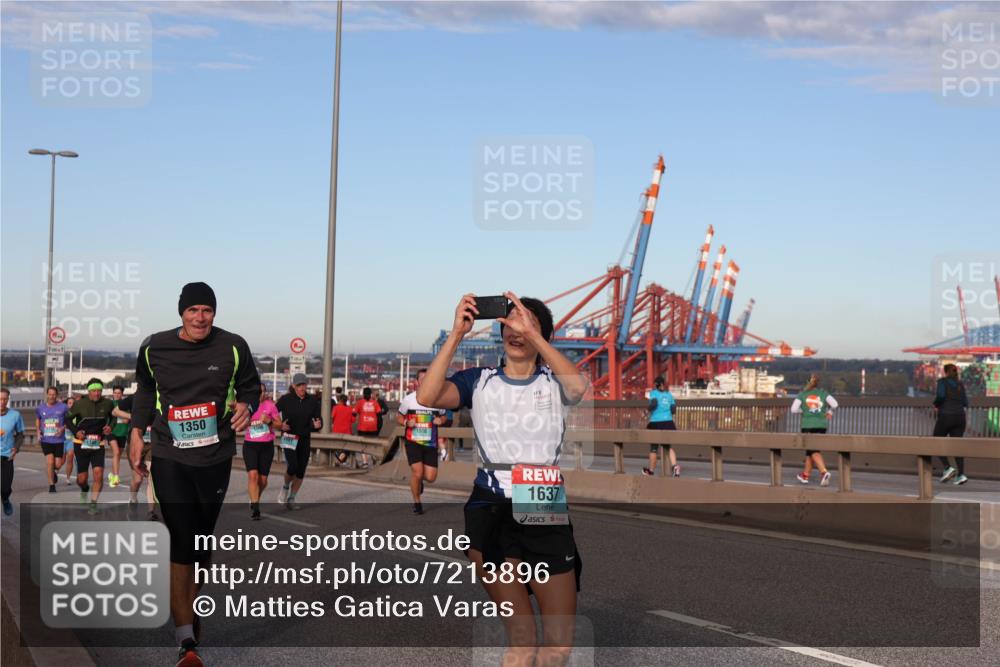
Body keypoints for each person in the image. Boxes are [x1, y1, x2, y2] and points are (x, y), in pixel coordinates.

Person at [417, 292, 588, 666]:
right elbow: (427, 395)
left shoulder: (554, 382)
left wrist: (537, 336)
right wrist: (456, 334)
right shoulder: (479, 381)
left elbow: (578, 388)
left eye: (526, 324)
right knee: (522, 643)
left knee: (558, 646)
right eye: (509, 323)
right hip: (490, 506)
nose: (516, 330)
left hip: (542, 503)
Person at [129, 282, 259, 667]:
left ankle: (188, 606)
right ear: (181, 312)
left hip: (215, 456)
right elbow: (144, 390)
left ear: (214, 313)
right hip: (170, 454)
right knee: (182, 537)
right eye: (193, 310)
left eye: (207, 310)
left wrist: (247, 405)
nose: (200, 317)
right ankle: (185, 641)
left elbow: (251, 385)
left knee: (201, 544)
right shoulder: (155, 347)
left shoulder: (233, 346)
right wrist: (137, 431)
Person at [397, 369, 448, 514]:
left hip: (430, 443)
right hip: (413, 441)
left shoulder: (437, 400)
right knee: (417, 473)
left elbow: (444, 417)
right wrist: (407, 423)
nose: (425, 382)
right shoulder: (409, 399)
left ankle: (418, 483)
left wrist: (440, 420)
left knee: (431, 477)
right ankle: (417, 502)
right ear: (417, 382)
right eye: (422, 379)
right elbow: (399, 417)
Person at [67, 379, 115, 513]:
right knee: (82, 479)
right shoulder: (79, 404)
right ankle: (84, 489)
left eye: (99, 390)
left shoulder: (108, 403)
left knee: (98, 474)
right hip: (81, 444)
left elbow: (114, 417)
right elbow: (67, 419)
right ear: (89, 391)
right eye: (94, 391)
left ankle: (93, 503)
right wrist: (76, 432)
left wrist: (110, 427)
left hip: (98, 444)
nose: (97, 393)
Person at [275, 374, 321, 510]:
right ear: (294, 386)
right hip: (289, 436)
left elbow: (319, 420)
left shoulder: (312, 401)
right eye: (299, 385)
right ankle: (284, 488)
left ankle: (292, 498)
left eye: (304, 385)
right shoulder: (285, 399)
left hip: (304, 438)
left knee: (301, 470)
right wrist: (279, 424)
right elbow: (272, 413)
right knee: (292, 466)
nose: (302, 388)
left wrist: (318, 425)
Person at [115, 391, 159, 520]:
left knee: (152, 476)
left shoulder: (162, 395)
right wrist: (133, 417)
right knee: (138, 479)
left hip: (154, 442)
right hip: (135, 441)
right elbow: (115, 411)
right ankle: (133, 499)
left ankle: (151, 511)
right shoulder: (136, 397)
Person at [791, 374, 837, 486]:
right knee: (810, 452)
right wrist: (830, 412)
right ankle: (805, 475)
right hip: (822, 426)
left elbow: (793, 410)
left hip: (808, 425)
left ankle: (824, 472)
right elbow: (835, 404)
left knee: (813, 451)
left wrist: (802, 411)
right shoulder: (823, 393)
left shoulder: (802, 395)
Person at [244, 383, 280, 519]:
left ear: (264, 393)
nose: (259, 394)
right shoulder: (247, 406)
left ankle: (254, 499)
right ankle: (256, 509)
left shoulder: (270, 406)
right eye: (257, 391)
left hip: (266, 446)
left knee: (263, 481)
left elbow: (279, 424)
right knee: (253, 475)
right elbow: (238, 423)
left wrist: (269, 422)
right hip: (250, 446)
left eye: (262, 391)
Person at [934, 363, 969, 485]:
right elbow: (965, 402)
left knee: (935, 441)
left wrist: (936, 405)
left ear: (945, 372)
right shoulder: (960, 384)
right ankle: (961, 474)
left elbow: (941, 396)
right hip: (960, 417)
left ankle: (948, 468)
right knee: (957, 445)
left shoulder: (942, 382)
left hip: (946, 416)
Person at [642, 376, 679, 477]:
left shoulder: (653, 393)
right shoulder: (669, 395)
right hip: (668, 423)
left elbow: (654, 403)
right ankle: (675, 467)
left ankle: (651, 470)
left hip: (656, 423)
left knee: (654, 448)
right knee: (668, 446)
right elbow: (673, 410)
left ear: (656, 385)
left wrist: (647, 411)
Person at [36, 386, 69, 492]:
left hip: (59, 440)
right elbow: (38, 419)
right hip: (46, 440)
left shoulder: (63, 407)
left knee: (58, 464)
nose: (51, 396)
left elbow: (69, 420)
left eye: (54, 394)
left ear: (57, 395)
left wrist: (63, 428)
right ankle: (51, 485)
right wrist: (38, 431)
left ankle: (53, 472)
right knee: (50, 461)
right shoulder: (40, 408)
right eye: (50, 394)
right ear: (47, 395)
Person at [1, 388, 25, 516]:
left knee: (5, 488)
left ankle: (5, 499)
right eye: (0, 399)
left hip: (7, 456)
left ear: (8, 399)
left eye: (5, 399)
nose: (2, 401)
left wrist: (16, 448)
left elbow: (20, 435)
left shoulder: (15, 415)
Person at [107, 385, 130, 488]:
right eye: (115, 393)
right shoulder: (110, 404)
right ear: (112, 393)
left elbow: (126, 420)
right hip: (111, 432)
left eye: (119, 393)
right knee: (116, 452)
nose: (116, 394)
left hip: (122, 433)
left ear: (122, 394)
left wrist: (116, 413)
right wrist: (120, 414)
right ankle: (116, 476)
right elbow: (109, 416)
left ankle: (111, 474)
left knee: (118, 456)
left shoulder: (125, 404)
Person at [353, 387, 382, 467]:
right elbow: (379, 414)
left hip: (362, 427)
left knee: (362, 445)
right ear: (370, 394)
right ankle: (373, 456)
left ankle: (365, 462)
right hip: (373, 427)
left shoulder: (360, 402)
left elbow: (354, 413)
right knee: (373, 444)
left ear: (363, 394)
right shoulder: (375, 403)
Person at [330, 393, 355, 465]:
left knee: (337, 447)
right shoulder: (350, 409)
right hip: (347, 431)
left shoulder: (335, 408)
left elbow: (332, 417)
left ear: (340, 400)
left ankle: (339, 460)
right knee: (347, 448)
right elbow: (353, 420)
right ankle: (340, 459)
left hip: (336, 431)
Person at [60, 396, 77, 485]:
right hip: (62, 439)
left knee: (70, 456)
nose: (71, 405)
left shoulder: (78, 415)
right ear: (67, 404)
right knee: (61, 461)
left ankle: (68, 478)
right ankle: (55, 472)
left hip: (72, 440)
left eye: (73, 403)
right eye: (70, 403)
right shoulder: (62, 414)